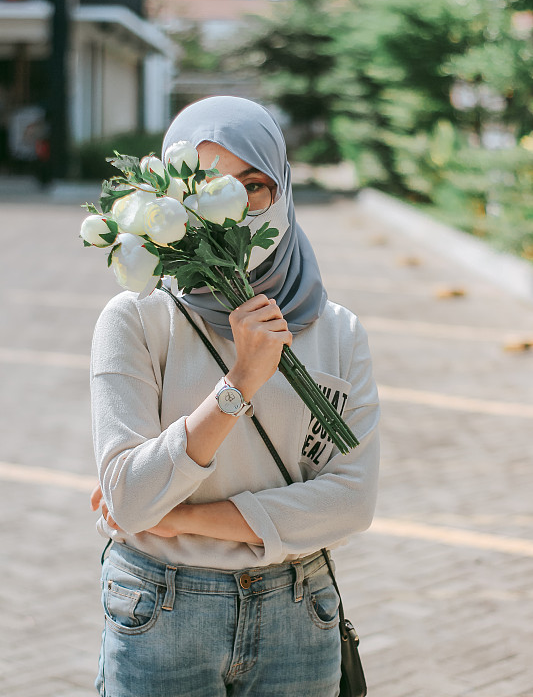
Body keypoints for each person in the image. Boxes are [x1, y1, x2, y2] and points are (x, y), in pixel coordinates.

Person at [90, 95, 380, 697]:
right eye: (208, 184)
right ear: (170, 198)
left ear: (283, 188)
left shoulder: (337, 330)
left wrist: (182, 517)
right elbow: (129, 495)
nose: (235, 207)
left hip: (299, 609)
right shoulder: (137, 320)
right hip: (160, 611)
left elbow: (351, 503)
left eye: (254, 184)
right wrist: (240, 382)